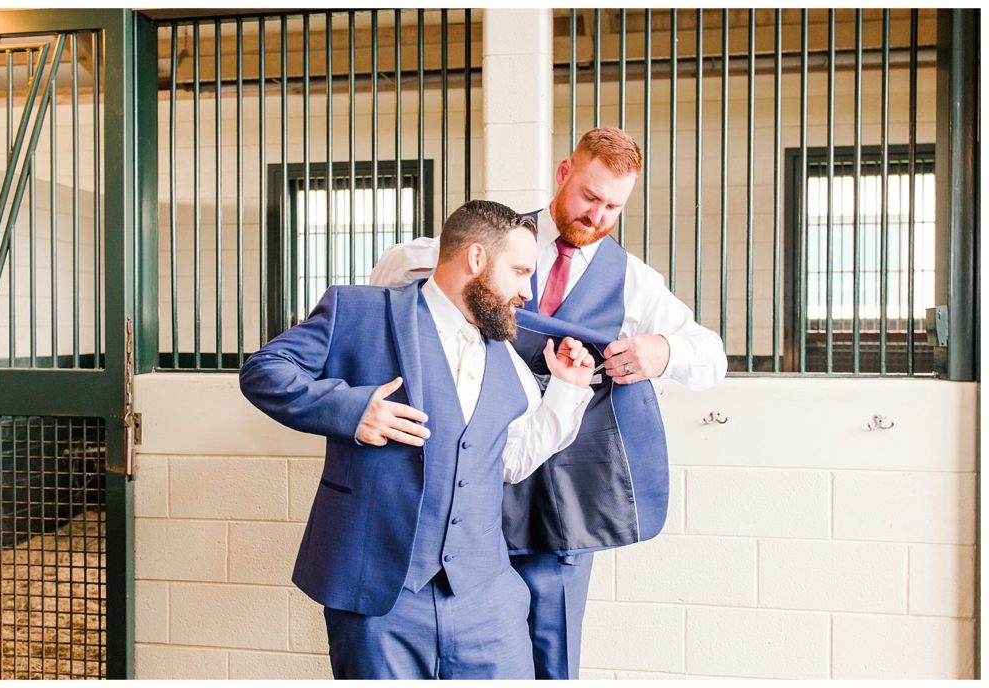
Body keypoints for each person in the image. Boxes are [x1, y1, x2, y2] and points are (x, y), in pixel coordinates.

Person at [369, 128, 728, 679]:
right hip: (474, 476)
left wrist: (662, 350)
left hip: (562, 492)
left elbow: (711, 356)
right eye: (590, 196)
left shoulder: (633, 279)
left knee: (552, 650)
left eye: (614, 206)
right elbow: (398, 267)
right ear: (564, 174)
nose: (598, 216)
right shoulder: (496, 240)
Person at [240, 200, 598, 680]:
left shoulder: (508, 358)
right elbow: (264, 371)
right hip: (380, 604)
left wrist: (567, 392)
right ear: (476, 259)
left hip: (486, 604)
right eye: (518, 272)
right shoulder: (357, 311)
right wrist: (350, 410)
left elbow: (510, 461)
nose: (526, 292)